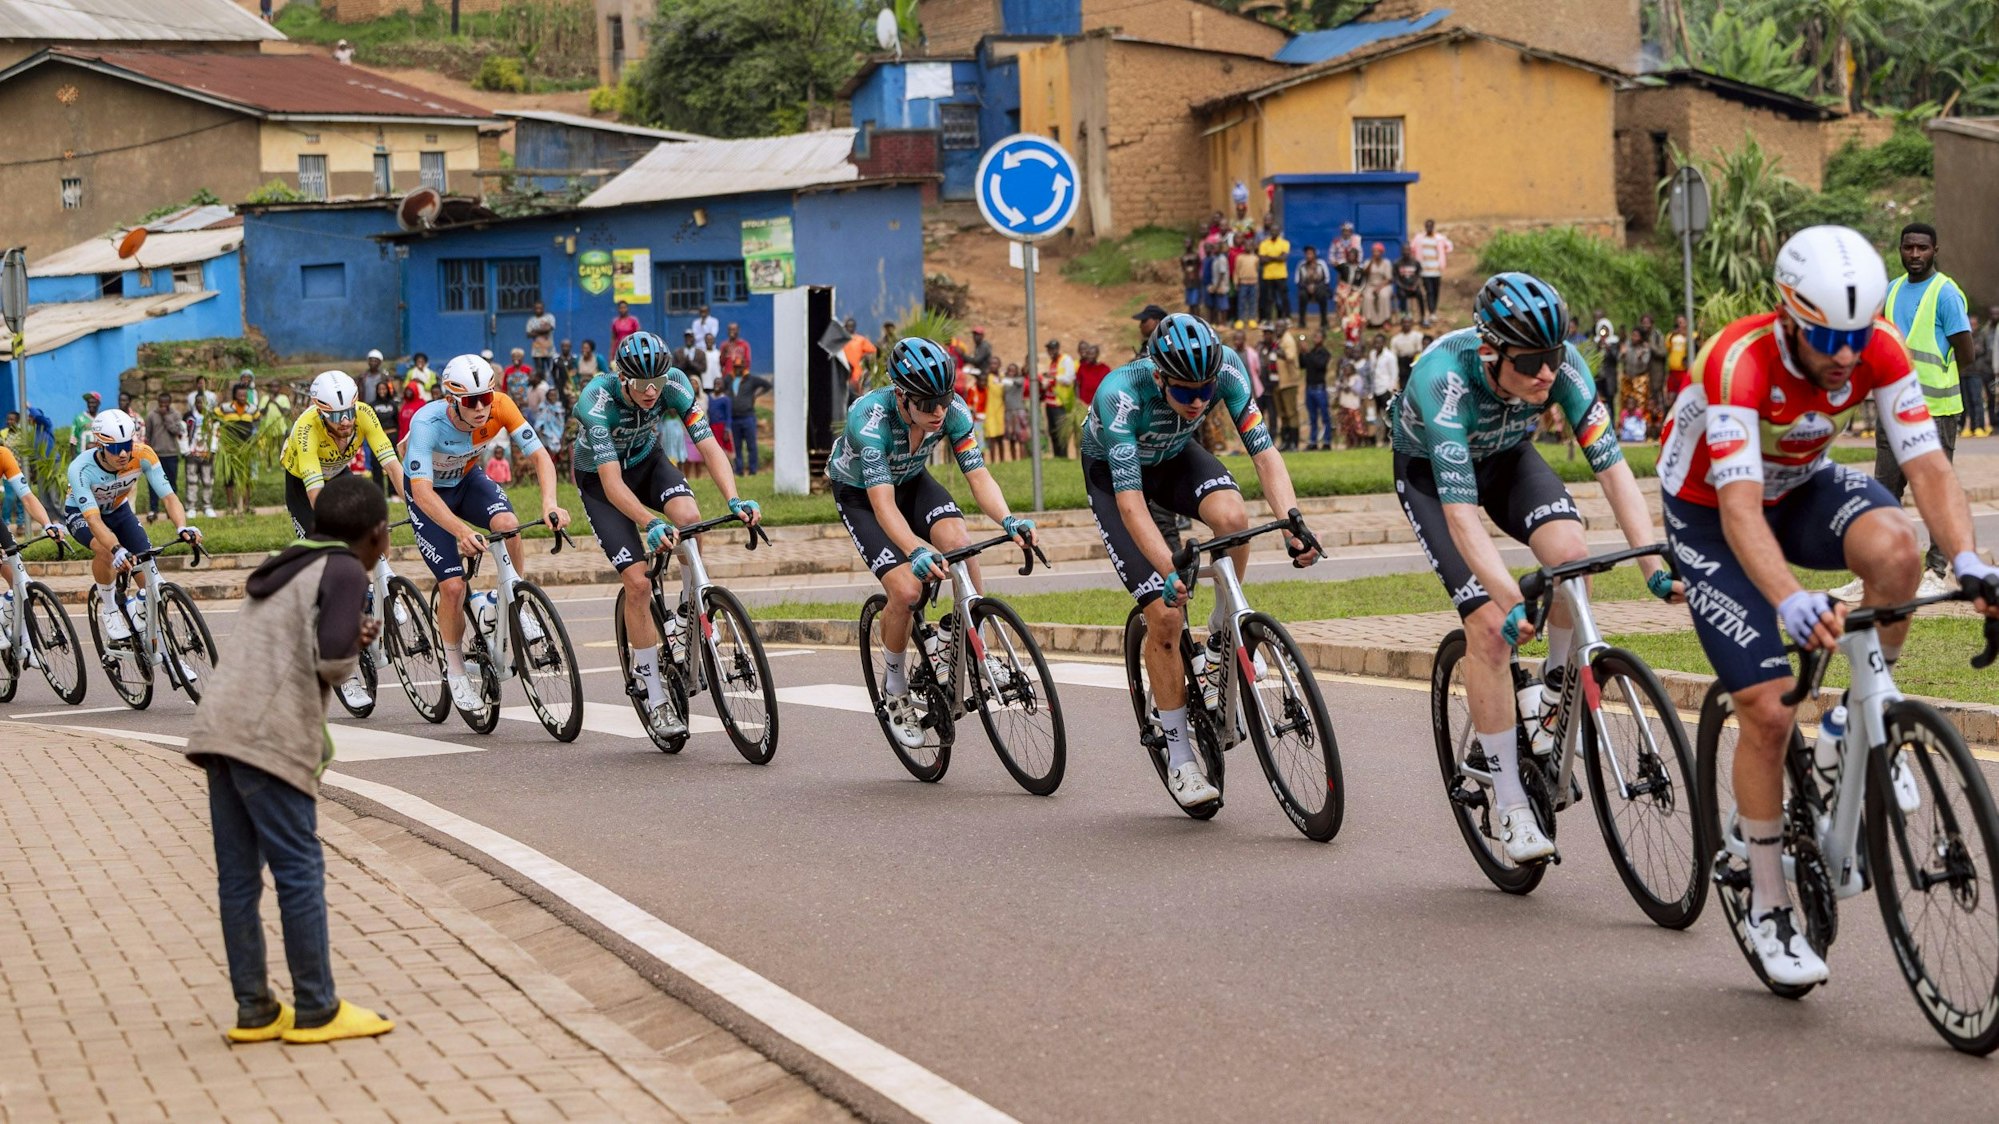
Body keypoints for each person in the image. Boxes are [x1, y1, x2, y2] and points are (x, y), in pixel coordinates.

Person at [1656, 225, 1999, 986]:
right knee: (1770, 709)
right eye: (1824, 336)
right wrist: (1789, 599)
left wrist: (1971, 561)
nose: (1844, 355)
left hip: (1801, 486)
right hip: (1711, 513)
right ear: (1786, 314)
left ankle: (1854, 716)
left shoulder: (1876, 345)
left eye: (1854, 333)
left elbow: (1929, 466)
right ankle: (1769, 903)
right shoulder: (1736, 362)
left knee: (1899, 552)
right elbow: (1740, 510)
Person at [1396, 272, 1677, 866]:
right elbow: (1464, 519)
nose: (1547, 373)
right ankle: (1508, 801)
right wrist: (1508, 597)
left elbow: (1615, 470)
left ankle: (1551, 696)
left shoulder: (1564, 366)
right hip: (1434, 478)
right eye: (1531, 362)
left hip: (1508, 459)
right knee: (1490, 627)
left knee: (1574, 559)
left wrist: (1653, 563)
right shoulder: (1443, 381)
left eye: (1554, 355)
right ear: (1491, 353)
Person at [182, 475, 395, 1046]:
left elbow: (305, 635)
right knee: (299, 870)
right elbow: (331, 661)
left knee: (237, 878)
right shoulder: (348, 568)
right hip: (268, 737)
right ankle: (317, 1009)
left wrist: (350, 632)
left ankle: (254, 1009)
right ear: (378, 534)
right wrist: (352, 643)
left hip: (220, 728)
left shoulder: (289, 562)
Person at [1082, 314, 1319, 807]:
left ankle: (1218, 640)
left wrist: (1293, 521)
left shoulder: (1228, 370)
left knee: (1233, 517)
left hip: (1172, 458)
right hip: (1116, 477)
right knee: (1165, 616)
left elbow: (1265, 455)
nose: (1198, 401)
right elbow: (1132, 505)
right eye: (1186, 391)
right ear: (1160, 376)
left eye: (1205, 390)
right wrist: (1167, 572)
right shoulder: (1121, 395)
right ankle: (1181, 758)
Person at [826, 338, 1037, 749]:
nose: (938, 412)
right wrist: (915, 549)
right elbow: (882, 504)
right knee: (906, 590)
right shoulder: (869, 419)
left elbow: (978, 475)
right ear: (902, 397)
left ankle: (958, 639)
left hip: (912, 481)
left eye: (944, 399)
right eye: (926, 404)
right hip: (863, 496)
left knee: (962, 545)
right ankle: (895, 686)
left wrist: (1008, 519)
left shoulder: (953, 412)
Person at [575, 332, 761, 735]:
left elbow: (709, 446)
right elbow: (611, 484)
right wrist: (649, 522)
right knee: (638, 583)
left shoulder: (674, 383)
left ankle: (682, 616)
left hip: (647, 461)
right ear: (622, 377)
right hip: (602, 482)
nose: (650, 392)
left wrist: (734, 498)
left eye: (656, 384)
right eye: (642, 385)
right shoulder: (597, 401)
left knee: (690, 520)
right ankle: (654, 693)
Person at [401, 355, 570, 713]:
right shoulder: (427, 423)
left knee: (508, 525)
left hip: (466, 480)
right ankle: (456, 669)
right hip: (428, 494)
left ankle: (513, 598)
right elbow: (421, 492)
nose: (481, 408)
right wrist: (461, 531)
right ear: (451, 400)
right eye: (470, 401)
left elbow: (541, 457)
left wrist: (550, 504)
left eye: (486, 398)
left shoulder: (502, 406)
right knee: (453, 586)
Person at [1836, 222, 1976, 599]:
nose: (1915, 255)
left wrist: (1932, 379)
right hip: (1892, 409)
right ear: (1900, 249)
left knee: (1934, 493)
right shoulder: (1892, 290)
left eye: (1922, 248)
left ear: (1935, 250)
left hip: (1936, 410)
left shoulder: (1945, 294)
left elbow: (1967, 354)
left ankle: (1935, 571)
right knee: (1883, 493)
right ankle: (1876, 574)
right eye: (1909, 248)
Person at [65, 410, 203, 645]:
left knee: (152, 582)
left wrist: (182, 527)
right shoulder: (80, 469)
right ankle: (109, 610)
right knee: (104, 549)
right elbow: (94, 521)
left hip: (119, 511)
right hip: (83, 515)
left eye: (127, 445)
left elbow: (169, 497)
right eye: (115, 448)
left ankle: (171, 659)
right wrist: (117, 549)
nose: (122, 453)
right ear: (100, 445)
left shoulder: (143, 455)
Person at [281, 370, 403, 544]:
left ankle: (385, 572)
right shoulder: (306, 428)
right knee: (320, 541)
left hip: (337, 472)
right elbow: (316, 493)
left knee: (366, 526)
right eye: (338, 415)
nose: (345, 421)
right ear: (322, 413)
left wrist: (414, 504)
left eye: (349, 412)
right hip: (301, 482)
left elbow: (392, 466)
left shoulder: (365, 413)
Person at [216, 385, 259, 514]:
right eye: (240, 395)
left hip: (246, 450)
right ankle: (230, 507)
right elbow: (213, 416)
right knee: (229, 478)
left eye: (245, 395)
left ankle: (246, 506)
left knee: (246, 478)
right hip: (230, 450)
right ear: (235, 395)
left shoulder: (252, 409)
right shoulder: (225, 408)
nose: (243, 397)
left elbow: (257, 424)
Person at [143, 392, 185, 523]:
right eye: (161, 404)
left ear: (169, 403)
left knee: (171, 483)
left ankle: (171, 511)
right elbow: (148, 435)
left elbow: (178, 431)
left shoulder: (175, 415)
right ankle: (153, 509)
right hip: (155, 455)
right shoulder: (151, 415)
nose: (163, 407)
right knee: (153, 483)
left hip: (171, 454)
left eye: (165, 404)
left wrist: (166, 418)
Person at [723, 362, 770, 476]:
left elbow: (767, 385)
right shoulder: (729, 379)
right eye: (736, 367)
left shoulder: (751, 379)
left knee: (751, 445)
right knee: (737, 446)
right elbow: (721, 387)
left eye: (740, 367)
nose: (738, 369)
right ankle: (739, 470)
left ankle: (753, 470)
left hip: (748, 417)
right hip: (734, 418)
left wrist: (756, 395)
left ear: (744, 367)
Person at [1410, 219, 1452, 324]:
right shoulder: (1419, 238)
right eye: (1427, 226)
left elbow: (1449, 247)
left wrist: (1442, 254)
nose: (1429, 228)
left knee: (1436, 291)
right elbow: (1412, 247)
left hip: (1436, 270)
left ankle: (1434, 310)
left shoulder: (1439, 238)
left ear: (1433, 227)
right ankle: (1431, 312)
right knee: (1429, 291)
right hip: (1425, 270)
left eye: (1430, 226)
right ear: (1425, 227)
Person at [1040, 339, 1076, 458]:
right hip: (1050, 402)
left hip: (1060, 402)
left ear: (1057, 348)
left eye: (1052, 349)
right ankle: (1057, 455)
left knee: (1061, 431)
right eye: (1049, 349)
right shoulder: (1052, 362)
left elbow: (1069, 378)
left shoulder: (1066, 359)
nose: (1050, 351)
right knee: (1052, 430)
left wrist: (1053, 377)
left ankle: (1063, 455)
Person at [1617, 325, 1653, 432]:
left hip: (1640, 378)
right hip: (1627, 378)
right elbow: (1619, 359)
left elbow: (1646, 362)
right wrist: (1622, 354)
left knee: (1641, 403)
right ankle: (1623, 429)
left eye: (1636, 336)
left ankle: (1641, 429)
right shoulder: (1627, 345)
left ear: (1641, 337)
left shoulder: (1645, 348)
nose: (1634, 338)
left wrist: (1641, 356)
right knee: (1625, 403)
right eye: (1633, 335)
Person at [1302, 330, 1333, 451]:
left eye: (1318, 336)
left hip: (1320, 388)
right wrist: (1302, 353)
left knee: (1325, 416)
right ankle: (1313, 441)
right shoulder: (1312, 352)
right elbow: (1303, 365)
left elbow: (1320, 365)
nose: (1315, 339)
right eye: (1314, 336)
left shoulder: (1324, 353)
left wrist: (1308, 353)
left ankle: (1327, 441)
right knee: (1312, 417)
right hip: (1309, 387)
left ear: (1323, 339)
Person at [1258, 224, 1291, 322]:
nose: (1274, 232)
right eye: (1272, 230)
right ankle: (1268, 319)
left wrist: (1269, 257)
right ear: (1269, 232)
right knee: (1268, 299)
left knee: (1283, 298)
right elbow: (1262, 260)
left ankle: (1286, 317)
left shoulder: (1285, 243)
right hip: (1268, 276)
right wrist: (1277, 257)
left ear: (1279, 231)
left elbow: (1283, 258)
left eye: (1276, 230)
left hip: (1281, 275)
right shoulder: (1264, 244)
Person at [1296, 246, 1332, 331]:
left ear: (1314, 254)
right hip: (1306, 288)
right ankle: (1302, 322)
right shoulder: (1301, 264)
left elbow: (1326, 280)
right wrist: (1307, 287)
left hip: (1319, 288)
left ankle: (1324, 322)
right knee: (1302, 295)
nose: (1308, 256)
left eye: (1310, 254)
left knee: (1322, 295)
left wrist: (1315, 287)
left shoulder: (1321, 264)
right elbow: (1298, 281)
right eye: (1307, 254)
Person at [1360, 243, 1395, 328]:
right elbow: (1364, 274)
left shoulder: (1386, 262)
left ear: (1381, 252)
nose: (1376, 253)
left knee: (1384, 295)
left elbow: (1389, 279)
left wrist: (1379, 287)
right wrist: (1371, 262)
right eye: (1374, 251)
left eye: (1378, 251)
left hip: (1384, 285)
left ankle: (1385, 320)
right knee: (1368, 297)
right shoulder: (1368, 262)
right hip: (1370, 285)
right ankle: (1369, 320)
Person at [1232, 238, 1260, 330]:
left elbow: (1257, 270)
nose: (1248, 247)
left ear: (1252, 247)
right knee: (1241, 302)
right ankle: (1241, 319)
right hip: (1243, 283)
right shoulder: (1240, 257)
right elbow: (1236, 271)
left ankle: (1252, 319)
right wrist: (1236, 282)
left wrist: (1257, 283)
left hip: (1253, 283)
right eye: (1246, 245)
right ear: (1244, 246)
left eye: (1250, 245)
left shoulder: (1255, 258)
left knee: (1252, 301)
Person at [1392, 246, 1426, 323]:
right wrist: (1404, 287)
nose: (1406, 252)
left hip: (1413, 288)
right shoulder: (1397, 263)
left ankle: (1423, 317)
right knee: (1402, 295)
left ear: (1410, 251)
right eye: (1404, 250)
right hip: (1402, 288)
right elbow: (1396, 279)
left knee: (1420, 294)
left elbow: (1418, 276)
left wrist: (1415, 285)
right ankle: (1404, 316)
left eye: (1407, 250)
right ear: (1401, 251)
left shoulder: (1416, 263)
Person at [1075, 341, 1112, 408]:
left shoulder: (1104, 368)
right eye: (1088, 354)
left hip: (1099, 404)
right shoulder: (1082, 367)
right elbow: (1077, 384)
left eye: (1092, 354)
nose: (1089, 356)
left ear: (1097, 354)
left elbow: (1109, 386)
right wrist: (1078, 400)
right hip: (1084, 404)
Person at [524, 301, 556, 380]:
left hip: (549, 349)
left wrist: (535, 331)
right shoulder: (531, 320)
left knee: (552, 370)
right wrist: (543, 331)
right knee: (539, 371)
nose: (538, 310)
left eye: (540, 308)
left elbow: (549, 328)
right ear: (534, 309)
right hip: (537, 351)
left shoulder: (549, 317)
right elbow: (528, 334)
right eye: (536, 308)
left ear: (543, 308)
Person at [1206, 237, 1234, 323]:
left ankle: (1223, 323)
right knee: (1219, 305)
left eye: (1216, 247)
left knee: (1223, 306)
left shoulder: (1222, 259)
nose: (1214, 249)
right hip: (1216, 284)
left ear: (1220, 249)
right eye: (1214, 247)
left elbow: (1222, 274)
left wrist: (1216, 286)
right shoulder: (1216, 258)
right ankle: (1219, 322)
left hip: (1221, 285)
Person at [1179, 238, 1204, 316]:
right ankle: (1191, 320)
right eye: (1186, 242)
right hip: (1188, 282)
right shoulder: (1183, 257)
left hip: (1196, 281)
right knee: (1190, 303)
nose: (1187, 244)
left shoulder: (1196, 256)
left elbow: (1199, 266)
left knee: (1196, 303)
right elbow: (1183, 269)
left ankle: (1198, 320)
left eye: (1189, 242)